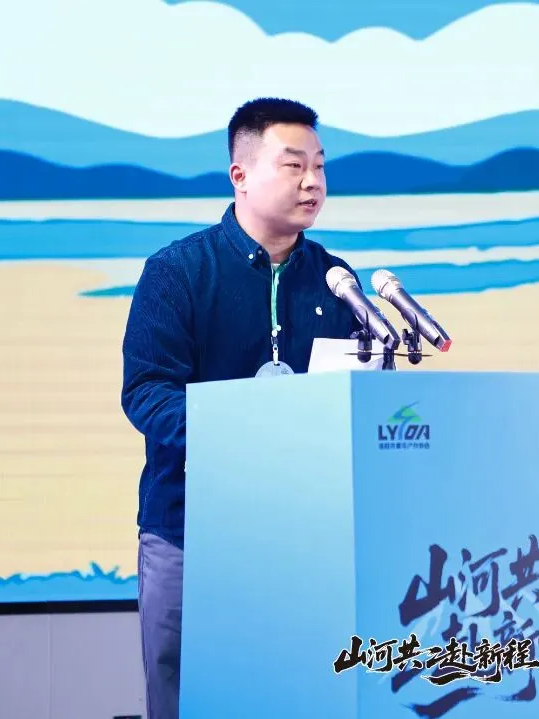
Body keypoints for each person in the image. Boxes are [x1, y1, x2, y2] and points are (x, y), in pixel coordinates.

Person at [120, 97, 364, 719]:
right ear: (241, 175)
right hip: (189, 530)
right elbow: (147, 392)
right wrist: (244, 431)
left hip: (302, 534)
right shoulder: (177, 272)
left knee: (295, 693)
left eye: (319, 166)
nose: (313, 182)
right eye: (294, 165)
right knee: (186, 695)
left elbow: (351, 398)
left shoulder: (336, 281)